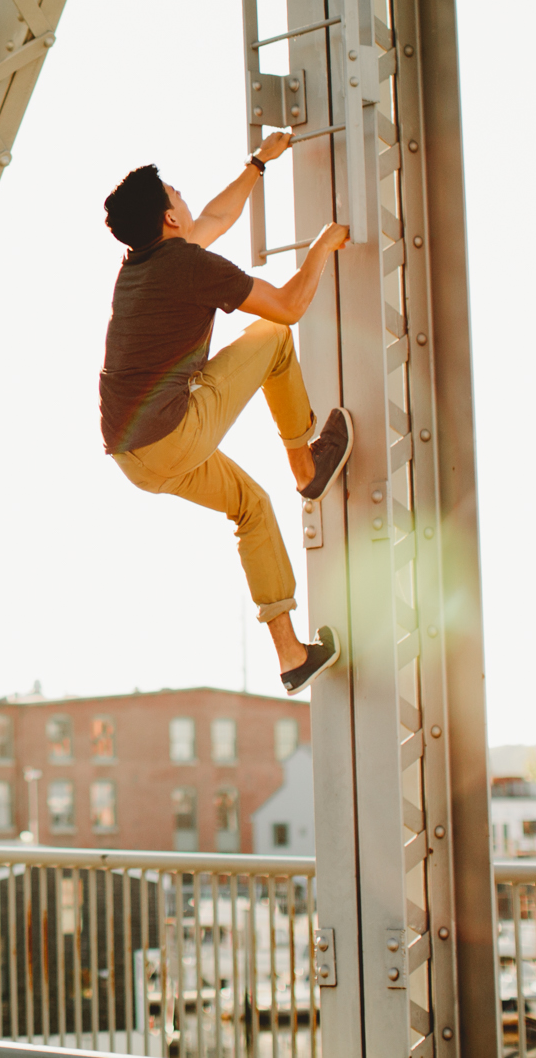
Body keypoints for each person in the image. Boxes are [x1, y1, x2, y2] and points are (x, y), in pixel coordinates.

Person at [98, 133, 352, 695]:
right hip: (172, 433)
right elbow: (288, 305)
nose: (188, 201)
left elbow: (216, 215)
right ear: (169, 217)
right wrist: (321, 247)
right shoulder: (186, 264)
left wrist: (258, 164)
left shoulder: (141, 264)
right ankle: (306, 467)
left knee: (252, 507)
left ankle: (291, 656)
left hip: (133, 457)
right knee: (273, 335)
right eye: (178, 194)